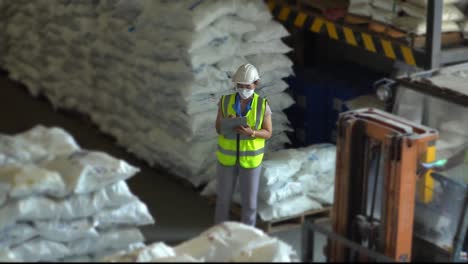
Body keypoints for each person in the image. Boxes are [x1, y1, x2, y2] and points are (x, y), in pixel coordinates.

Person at [214, 63, 273, 226]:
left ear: (256, 84)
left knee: (249, 205)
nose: (243, 89)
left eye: (247, 86)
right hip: (227, 160)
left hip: (251, 162)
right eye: (239, 86)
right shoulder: (225, 102)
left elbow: (268, 132)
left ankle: (248, 239)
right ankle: (219, 233)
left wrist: (252, 133)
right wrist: (228, 123)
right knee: (223, 200)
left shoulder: (262, 105)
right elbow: (218, 129)